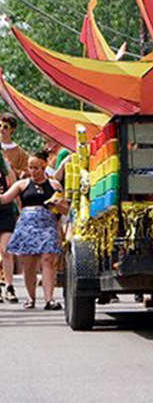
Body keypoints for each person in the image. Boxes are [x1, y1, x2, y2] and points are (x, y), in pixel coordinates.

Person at [0, 152, 69, 309]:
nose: (33, 171)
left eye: (36, 168)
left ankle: (49, 299)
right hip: (27, 226)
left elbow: (66, 210)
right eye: (30, 168)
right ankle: (31, 297)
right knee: (29, 264)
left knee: (47, 260)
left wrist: (58, 205)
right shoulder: (22, 185)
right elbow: (5, 199)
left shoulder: (54, 186)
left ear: (44, 166)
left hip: (47, 225)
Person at [0, 154, 18, 303]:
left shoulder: (5, 168)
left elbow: (14, 187)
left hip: (5, 211)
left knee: (6, 249)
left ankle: (9, 286)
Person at [0, 113, 28, 178]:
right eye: (0, 125)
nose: (1, 129)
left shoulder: (21, 153)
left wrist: (12, 169)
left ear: (13, 129)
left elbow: (26, 174)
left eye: (5, 127)